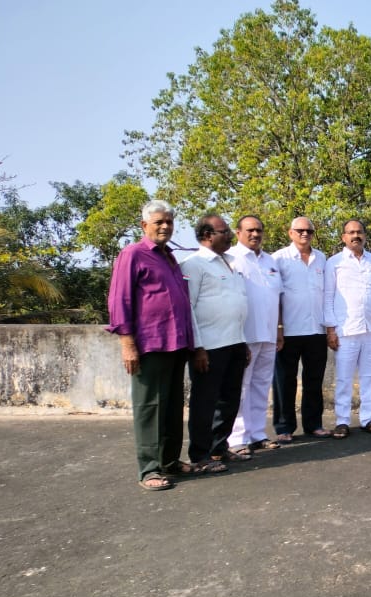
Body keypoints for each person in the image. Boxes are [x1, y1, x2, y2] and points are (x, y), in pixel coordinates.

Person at [106, 199, 195, 490]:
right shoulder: (133, 254)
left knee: (171, 407)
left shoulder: (169, 257)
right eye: (159, 222)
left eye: (169, 221)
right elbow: (120, 300)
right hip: (150, 343)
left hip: (176, 343)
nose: (165, 226)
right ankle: (150, 469)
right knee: (150, 408)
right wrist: (127, 343)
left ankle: (169, 461)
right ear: (144, 225)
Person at [180, 214, 251, 472]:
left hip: (234, 341)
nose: (230, 235)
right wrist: (197, 347)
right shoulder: (193, 264)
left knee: (229, 400)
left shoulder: (230, 262)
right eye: (224, 232)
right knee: (205, 402)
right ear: (207, 235)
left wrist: (243, 342)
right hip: (209, 346)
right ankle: (200, 455)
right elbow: (188, 308)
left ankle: (219, 448)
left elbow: (236, 304)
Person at [324, 219, 371, 437]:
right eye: (351, 232)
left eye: (359, 232)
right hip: (346, 330)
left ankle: (367, 418)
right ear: (344, 237)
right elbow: (328, 297)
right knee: (344, 378)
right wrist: (331, 329)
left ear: (365, 235)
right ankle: (342, 420)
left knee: (370, 378)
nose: (356, 236)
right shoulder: (334, 262)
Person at [226, 216, 284, 454]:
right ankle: (238, 438)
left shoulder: (270, 261)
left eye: (259, 230)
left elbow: (277, 297)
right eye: (250, 230)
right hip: (245, 335)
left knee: (261, 385)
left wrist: (279, 329)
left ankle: (258, 433)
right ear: (238, 232)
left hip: (268, 334)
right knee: (241, 387)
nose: (255, 234)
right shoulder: (231, 258)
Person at [271, 216, 330, 441]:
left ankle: (313, 424)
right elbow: (274, 295)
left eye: (309, 231)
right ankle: (284, 427)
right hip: (289, 330)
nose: (305, 234)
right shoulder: (279, 258)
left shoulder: (321, 258)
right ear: (290, 233)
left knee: (314, 380)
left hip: (316, 329)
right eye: (300, 230)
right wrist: (278, 327)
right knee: (284, 381)